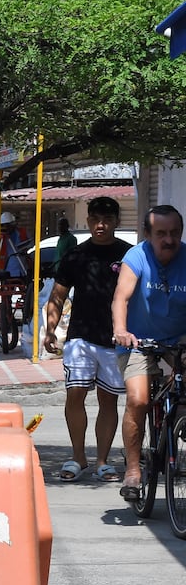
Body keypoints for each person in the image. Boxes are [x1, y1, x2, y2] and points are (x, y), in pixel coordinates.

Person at [42, 197, 131, 483]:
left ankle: (103, 461)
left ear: (117, 220)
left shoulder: (129, 256)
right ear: (89, 221)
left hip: (114, 339)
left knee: (108, 400)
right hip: (80, 337)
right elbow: (57, 295)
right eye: (95, 219)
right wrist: (50, 329)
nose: (100, 225)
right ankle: (78, 456)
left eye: (106, 219)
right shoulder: (76, 256)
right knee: (75, 394)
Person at [112, 204, 186, 500]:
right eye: (161, 234)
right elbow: (121, 296)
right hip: (137, 340)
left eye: (175, 233)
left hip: (178, 338)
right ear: (147, 234)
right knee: (139, 399)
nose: (169, 240)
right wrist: (121, 330)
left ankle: (179, 416)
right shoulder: (137, 256)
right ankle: (133, 470)